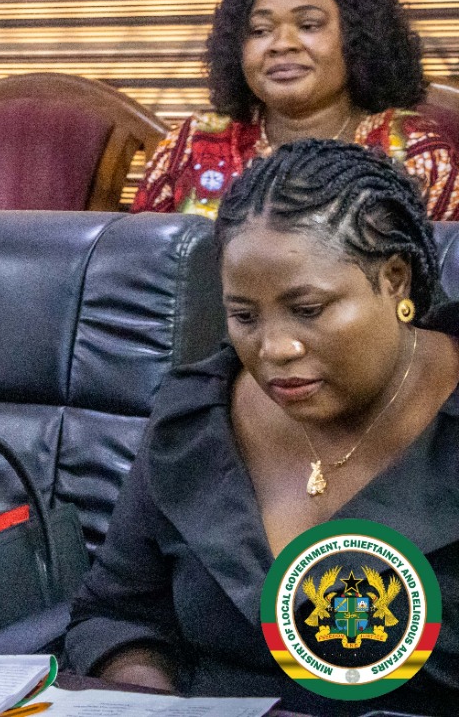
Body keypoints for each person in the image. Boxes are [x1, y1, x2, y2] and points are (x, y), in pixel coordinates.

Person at [68, 140, 459, 712]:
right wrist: (153, 700)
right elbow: (116, 612)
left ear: (395, 280)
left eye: (308, 310)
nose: (274, 348)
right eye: (244, 316)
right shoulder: (197, 420)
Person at [132, 0, 458, 219]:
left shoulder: (412, 153)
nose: (282, 44)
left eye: (308, 25)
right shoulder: (192, 146)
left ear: (359, 35)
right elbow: (135, 265)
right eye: (260, 30)